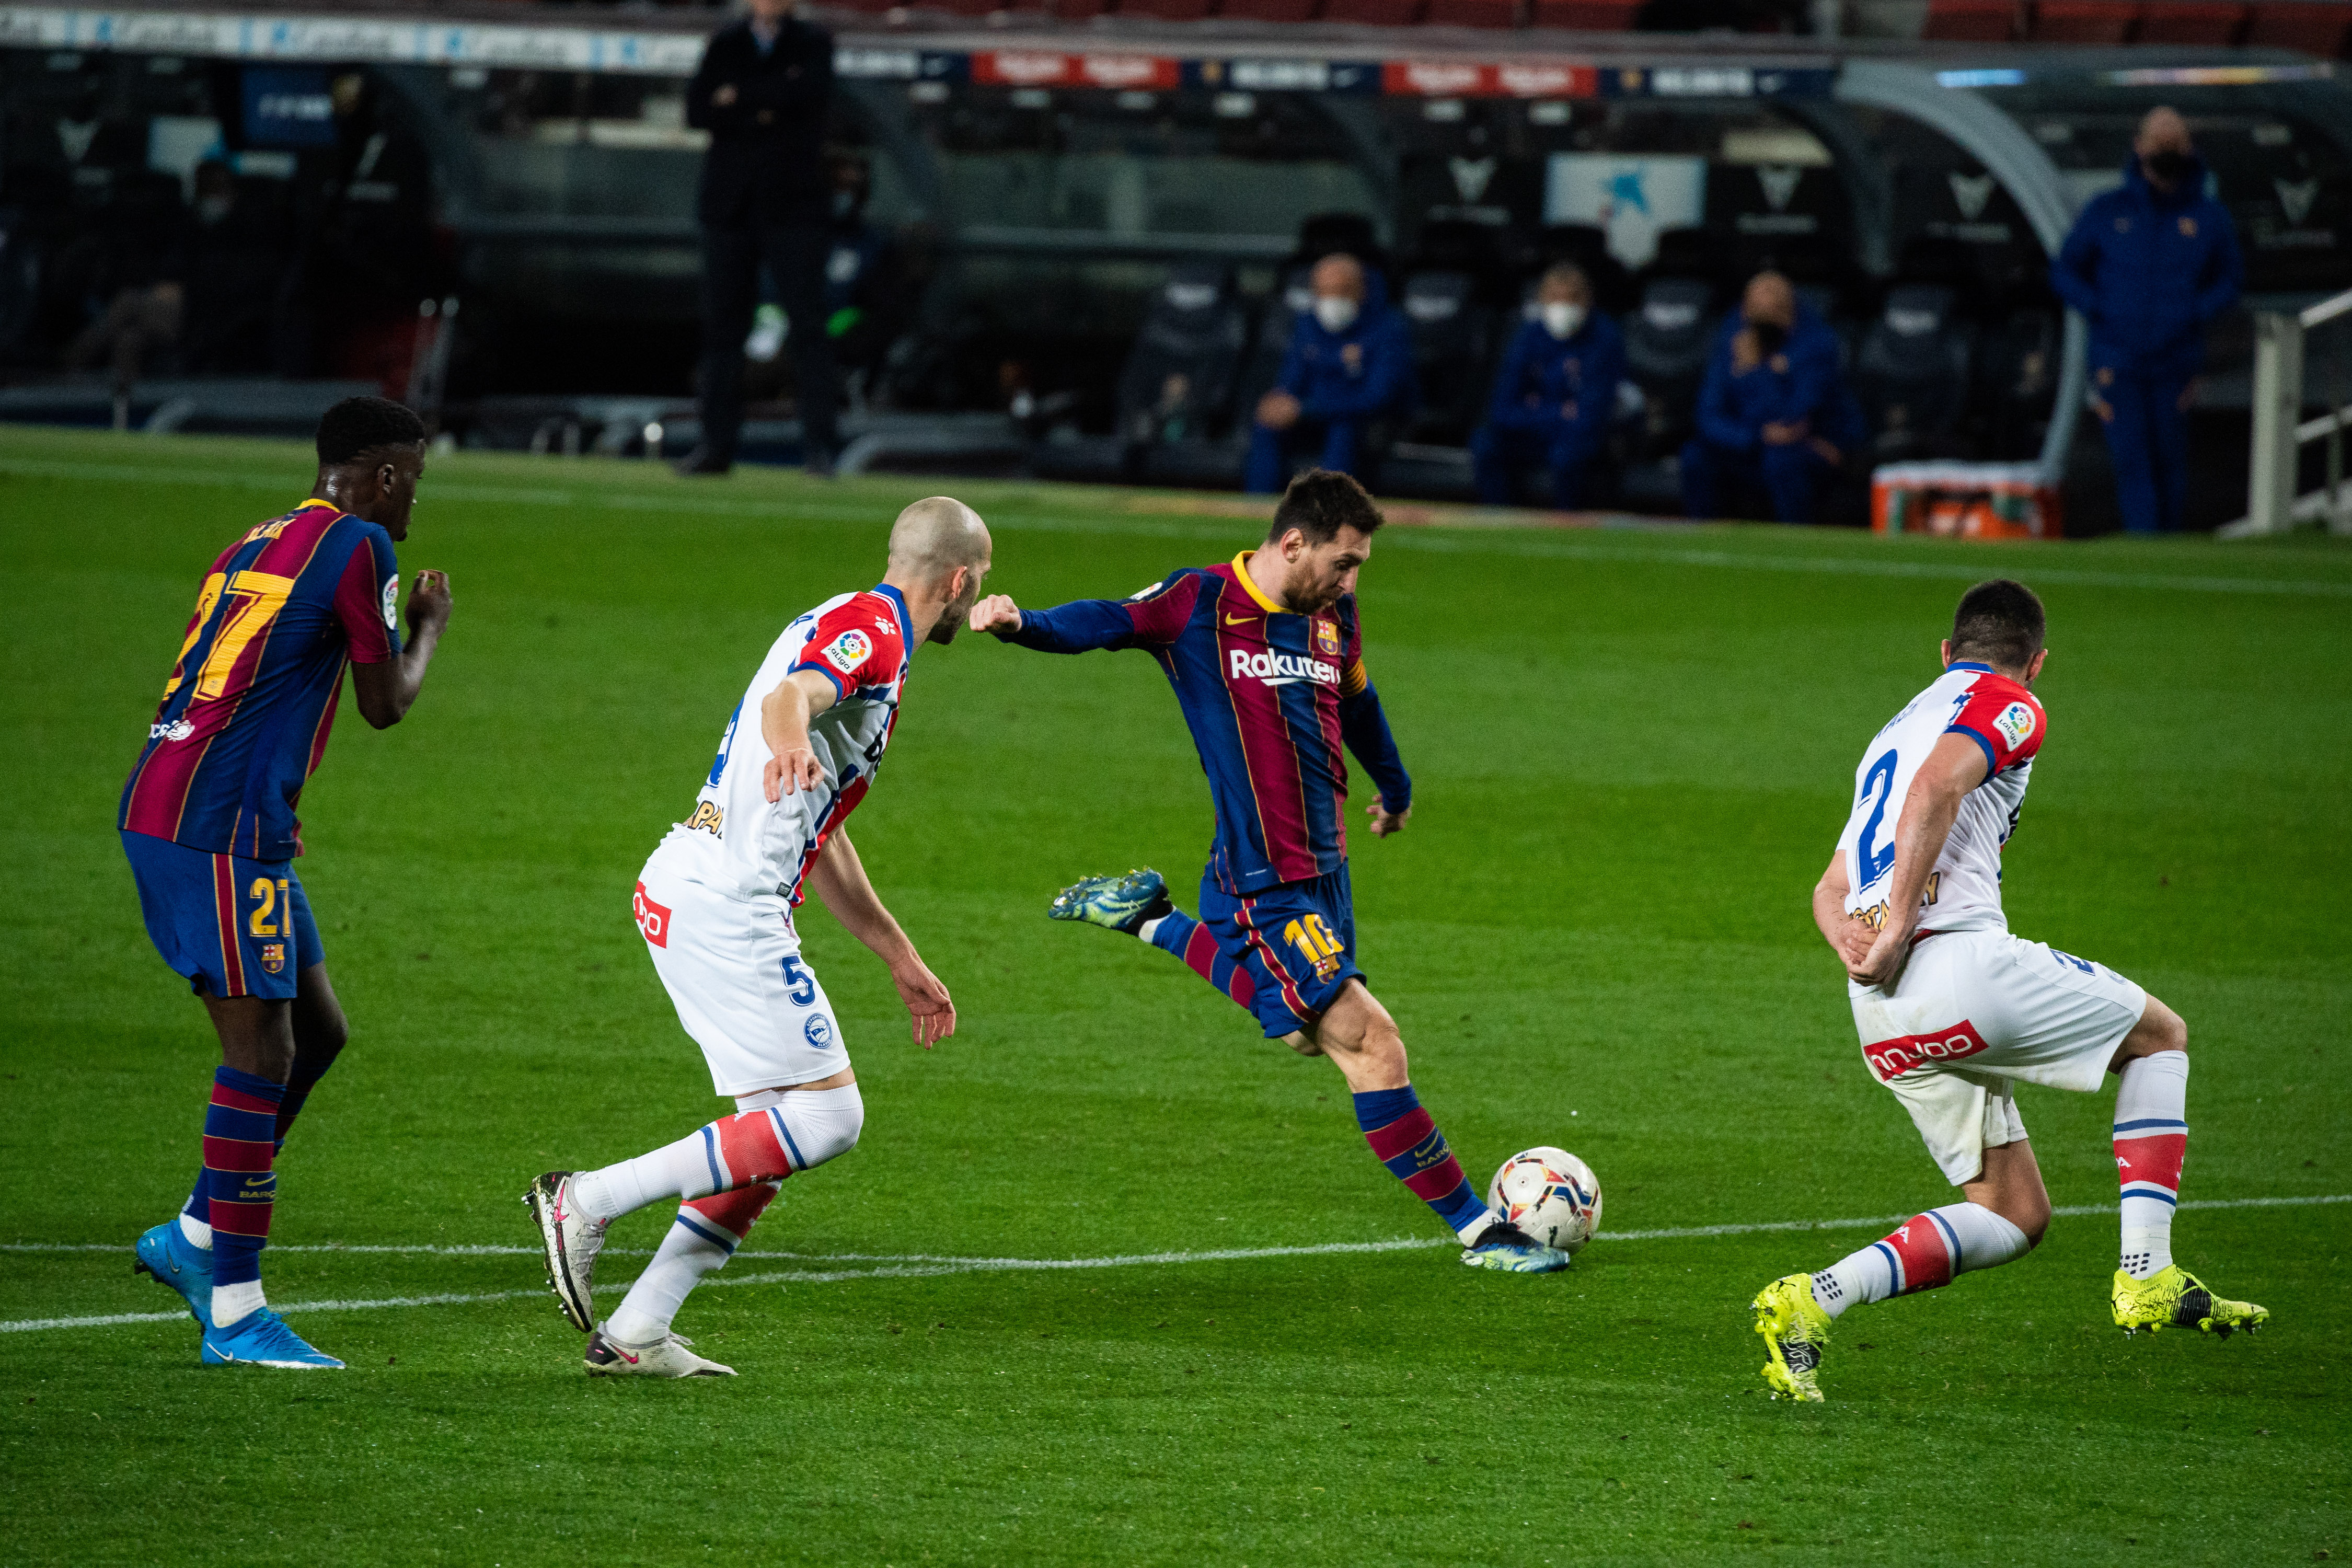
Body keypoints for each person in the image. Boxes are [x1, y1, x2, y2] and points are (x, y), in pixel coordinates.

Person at [966, 469, 1570, 1274]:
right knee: (1373, 1045)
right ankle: (1481, 1232)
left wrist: (1396, 787)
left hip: (1326, 872)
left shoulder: (1334, 617)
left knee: (1301, 1034)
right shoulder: (1200, 602)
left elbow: (1358, 702)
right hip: (1262, 880)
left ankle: (1152, 919)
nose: (1351, 582)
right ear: (1292, 544)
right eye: (1344, 563)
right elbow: (1107, 620)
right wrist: (1021, 624)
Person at [1750, 579, 2266, 1404]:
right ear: (2037, 661)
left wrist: (1855, 940)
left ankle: (1813, 1299)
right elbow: (1938, 790)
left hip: (1881, 1011)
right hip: (1956, 967)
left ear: (1945, 651)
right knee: (2160, 1038)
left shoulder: (1893, 732)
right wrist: (1897, 928)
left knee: (2012, 1212)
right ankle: (2148, 1273)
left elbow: (1831, 887)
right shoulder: (2009, 701)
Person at [526, 498, 992, 1377]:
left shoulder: (840, 616)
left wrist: (899, 955)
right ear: (961, 580)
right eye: (982, 582)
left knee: (769, 1132)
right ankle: (585, 1199)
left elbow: (824, 833)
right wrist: (788, 743)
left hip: (694, 887)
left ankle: (637, 1332)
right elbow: (792, 698)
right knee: (829, 1118)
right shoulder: (874, 633)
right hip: (726, 905)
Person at [121, 396, 454, 1369]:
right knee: (261, 1053)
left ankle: (195, 1235)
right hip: (218, 826)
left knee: (317, 1032)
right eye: (414, 482)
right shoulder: (359, 545)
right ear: (384, 475)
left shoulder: (255, 540)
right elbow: (384, 703)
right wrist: (428, 629)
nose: (414, 503)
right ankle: (234, 1310)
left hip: (183, 804)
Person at [2051, 107, 2243, 535]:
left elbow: (2231, 280)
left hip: (2177, 360)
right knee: (2131, 459)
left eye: (2174, 145)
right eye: (2159, 144)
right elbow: (2065, 270)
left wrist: (2194, 311)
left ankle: (2167, 545)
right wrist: (2099, 306)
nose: (2166, 152)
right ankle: (2144, 542)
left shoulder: (2208, 217)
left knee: (2170, 459)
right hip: (2117, 358)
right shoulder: (2108, 210)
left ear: (2188, 149)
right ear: (2139, 147)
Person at [672, 0, 839, 478]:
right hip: (731, 208)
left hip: (794, 207)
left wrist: (738, 99)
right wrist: (767, 104)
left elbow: (810, 98)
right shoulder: (726, 42)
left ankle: (820, 449)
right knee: (723, 331)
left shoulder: (812, 42)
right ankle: (715, 446)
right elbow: (697, 110)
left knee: (809, 328)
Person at [1680, 270, 1860, 524]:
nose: (1762, 325)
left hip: (1811, 447)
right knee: (1696, 456)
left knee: (1782, 459)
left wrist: (1760, 371)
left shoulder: (1817, 344)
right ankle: (1704, 536)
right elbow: (1708, 415)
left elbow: (1792, 418)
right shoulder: (1733, 339)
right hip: (1751, 442)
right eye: (1755, 311)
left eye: (1773, 311)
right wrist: (1755, 436)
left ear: (1789, 312)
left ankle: (1793, 539)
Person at [1244, 255, 1414, 495]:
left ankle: (1330, 508)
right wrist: (1280, 401)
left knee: (1343, 429)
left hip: (1366, 420)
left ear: (1362, 290)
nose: (1332, 300)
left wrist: (1307, 408)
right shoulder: (1307, 324)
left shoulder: (1388, 328)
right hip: (1312, 415)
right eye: (1324, 292)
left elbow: (1378, 397)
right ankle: (1258, 505)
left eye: (1341, 291)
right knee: (1269, 423)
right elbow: (1291, 377)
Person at [1470, 262, 1625, 510]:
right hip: (1533, 433)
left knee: (1568, 456)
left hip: (1578, 438)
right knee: (1486, 444)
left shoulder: (1605, 338)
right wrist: (1560, 411)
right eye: (1555, 298)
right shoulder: (1529, 335)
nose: (1563, 307)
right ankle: (1499, 519)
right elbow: (1501, 409)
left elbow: (1590, 415)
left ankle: (1566, 523)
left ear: (1588, 300)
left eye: (1572, 299)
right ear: (1542, 300)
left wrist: (1534, 408)